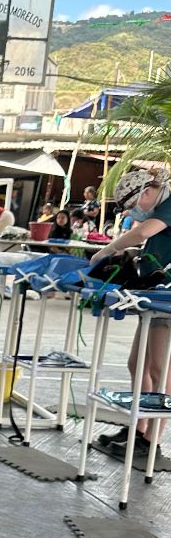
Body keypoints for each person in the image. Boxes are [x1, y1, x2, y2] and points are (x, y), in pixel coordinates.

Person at [89, 167, 171, 461]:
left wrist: (107, 249)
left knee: (160, 371)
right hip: (153, 295)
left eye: (132, 205)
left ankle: (152, 440)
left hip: (167, 299)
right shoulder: (158, 209)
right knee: (137, 364)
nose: (133, 212)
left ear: (147, 192)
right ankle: (137, 429)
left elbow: (143, 232)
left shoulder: (168, 204)